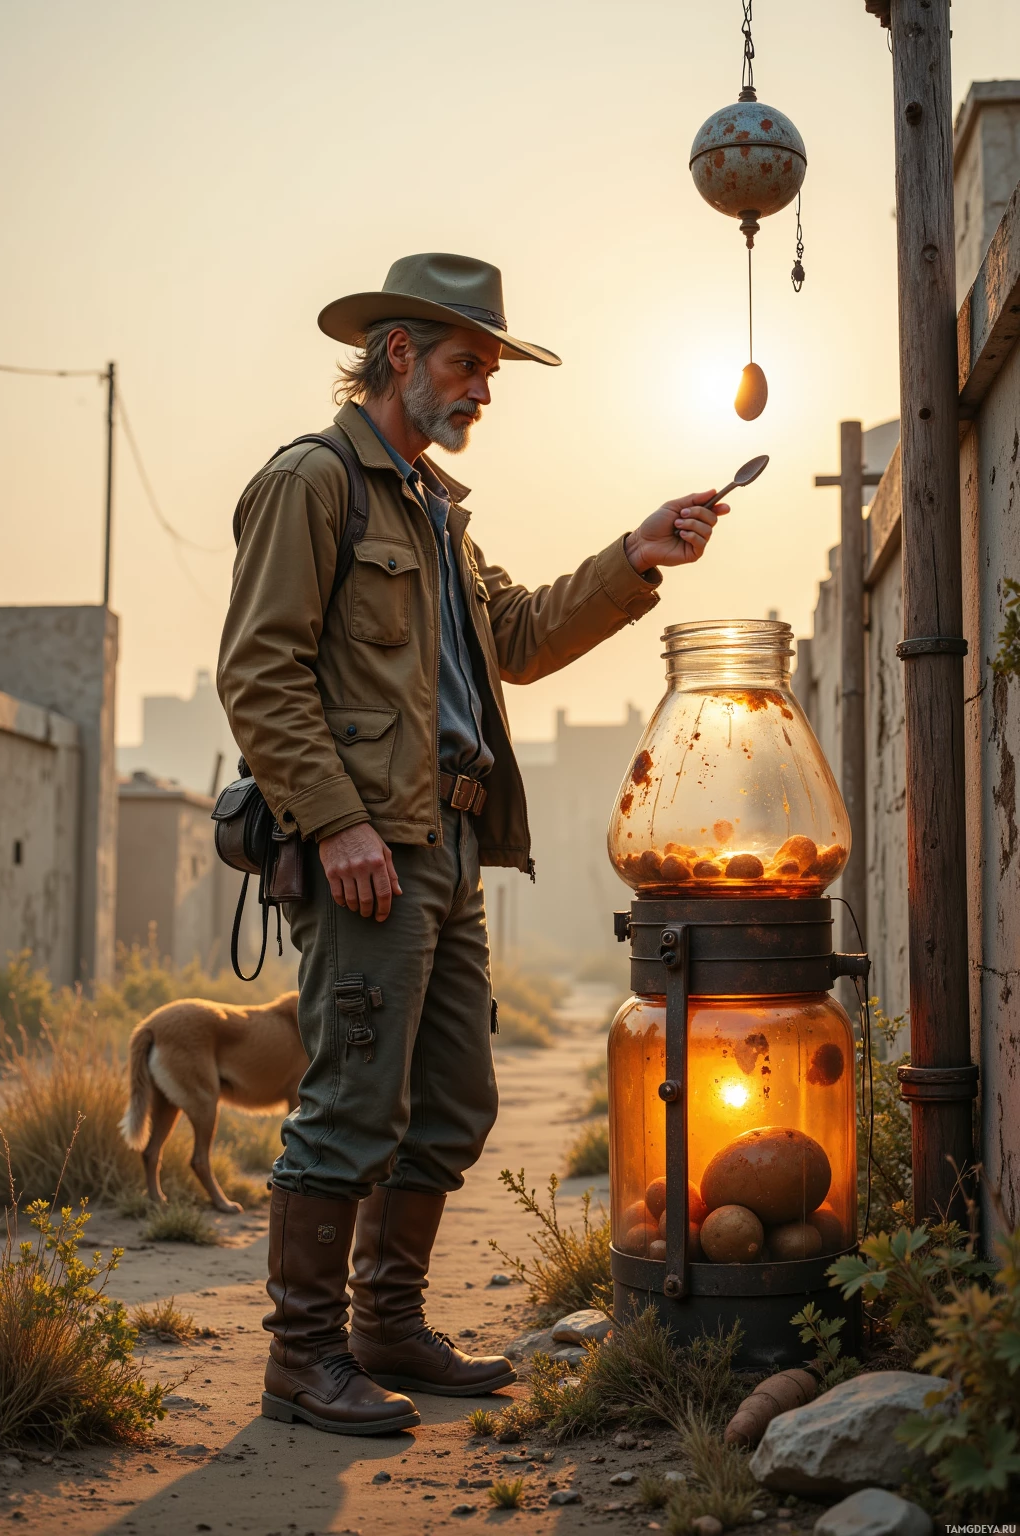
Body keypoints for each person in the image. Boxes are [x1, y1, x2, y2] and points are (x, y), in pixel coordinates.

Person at [217, 252, 729, 1435]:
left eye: (491, 369)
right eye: (466, 363)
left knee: (451, 1101)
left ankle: (385, 1327)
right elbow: (259, 671)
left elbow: (518, 637)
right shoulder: (315, 482)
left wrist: (635, 555)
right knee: (349, 1101)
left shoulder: (432, 507)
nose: (482, 389)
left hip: (449, 849)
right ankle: (301, 1361)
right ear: (397, 354)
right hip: (370, 848)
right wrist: (336, 822)